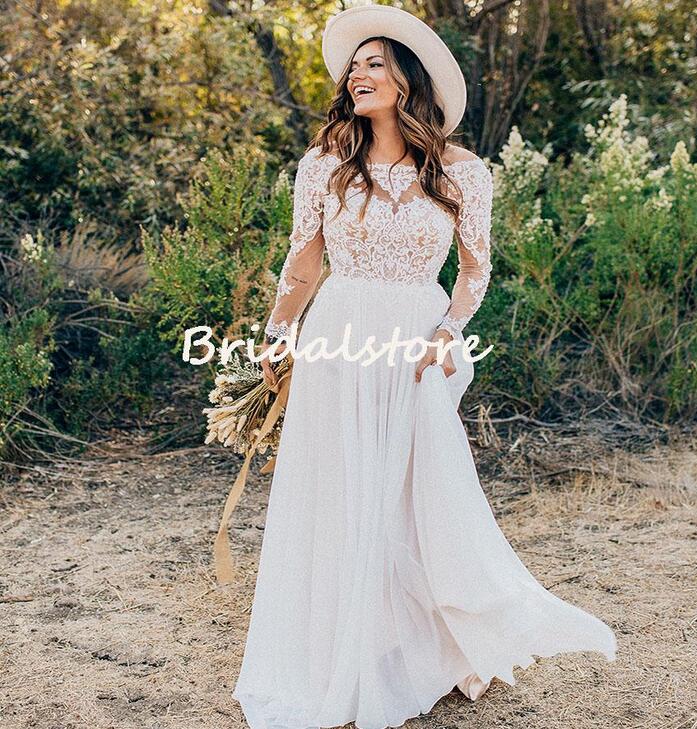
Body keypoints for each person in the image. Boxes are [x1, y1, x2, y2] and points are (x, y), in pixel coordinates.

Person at [232, 5, 617, 728]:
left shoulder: (463, 171)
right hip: (340, 334)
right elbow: (303, 261)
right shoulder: (323, 164)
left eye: (375, 63)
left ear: (407, 79)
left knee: (414, 491)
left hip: (416, 342)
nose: (358, 74)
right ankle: (342, 649)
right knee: (342, 487)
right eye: (354, 66)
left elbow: (475, 270)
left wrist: (448, 330)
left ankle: (428, 642)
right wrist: (279, 332)